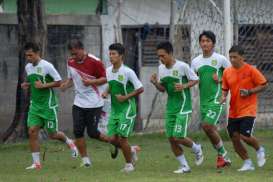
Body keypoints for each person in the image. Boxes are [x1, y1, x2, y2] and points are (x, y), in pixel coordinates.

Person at [60, 40, 118, 167]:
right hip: (78, 103)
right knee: (78, 131)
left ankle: (115, 142)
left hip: (94, 102)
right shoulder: (70, 62)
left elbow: (105, 79)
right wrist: (65, 85)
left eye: (75, 54)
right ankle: (86, 160)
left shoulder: (95, 61)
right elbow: (72, 79)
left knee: (93, 133)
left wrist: (91, 83)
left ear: (82, 49)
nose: (74, 57)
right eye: (72, 54)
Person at [21, 42, 78, 170]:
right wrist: (27, 84)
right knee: (32, 131)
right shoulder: (28, 67)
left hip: (48, 105)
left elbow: (58, 82)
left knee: (52, 134)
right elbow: (33, 81)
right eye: (26, 56)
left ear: (37, 53)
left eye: (30, 55)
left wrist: (43, 86)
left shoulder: (47, 66)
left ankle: (70, 143)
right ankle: (36, 164)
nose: (28, 58)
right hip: (35, 105)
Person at [150, 41, 203, 174]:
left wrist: (184, 86)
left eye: (163, 56)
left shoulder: (182, 66)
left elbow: (196, 79)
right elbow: (163, 89)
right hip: (171, 107)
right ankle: (184, 166)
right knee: (171, 138)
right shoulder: (161, 69)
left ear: (170, 54)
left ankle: (197, 149)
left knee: (178, 136)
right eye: (159, 56)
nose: (161, 59)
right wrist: (156, 83)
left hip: (183, 106)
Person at [221, 45, 267, 171]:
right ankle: (247, 163)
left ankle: (259, 149)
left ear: (242, 57)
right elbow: (225, 89)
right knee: (235, 139)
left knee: (245, 136)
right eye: (230, 57)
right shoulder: (227, 72)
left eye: (235, 57)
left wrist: (250, 91)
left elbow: (263, 85)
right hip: (233, 111)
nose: (232, 59)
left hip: (248, 109)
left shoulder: (251, 70)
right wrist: (223, 97)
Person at [191, 30, 231, 168]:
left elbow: (232, 76)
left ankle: (223, 155)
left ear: (213, 43)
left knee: (207, 125)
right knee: (209, 129)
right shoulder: (195, 61)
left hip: (217, 99)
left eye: (208, 41)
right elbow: (193, 79)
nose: (205, 43)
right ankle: (223, 156)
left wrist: (220, 80)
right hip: (203, 101)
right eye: (202, 41)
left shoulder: (220, 59)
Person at [102, 43, 143, 172]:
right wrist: (106, 91)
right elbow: (111, 84)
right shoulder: (108, 70)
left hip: (127, 108)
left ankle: (129, 165)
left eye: (114, 54)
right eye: (110, 54)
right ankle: (131, 150)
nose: (111, 56)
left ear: (121, 56)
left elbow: (140, 88)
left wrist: (125, 97)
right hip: (115, 109)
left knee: (122, 138)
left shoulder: (128, 72)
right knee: (112, 139)